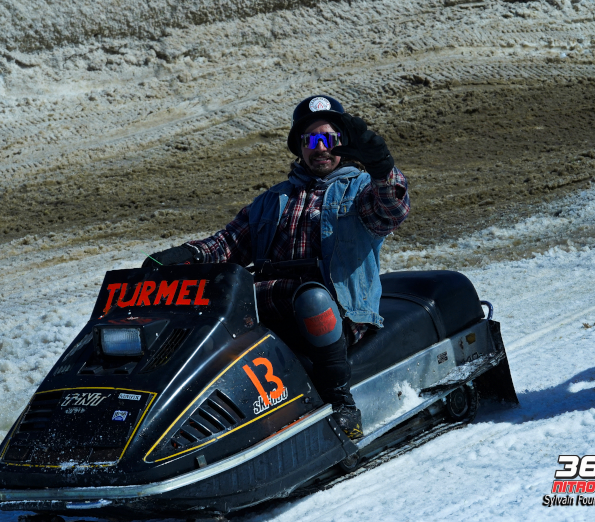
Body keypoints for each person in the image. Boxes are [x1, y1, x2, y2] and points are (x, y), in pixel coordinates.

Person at [143, 95, 410, 439]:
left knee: (312, 299)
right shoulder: (273, 199)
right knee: (211, 310)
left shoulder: (361, 191)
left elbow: (391, 211)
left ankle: (341, 404)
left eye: (329, 139)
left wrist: (382, 168)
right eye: (311, 140)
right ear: (299, 147)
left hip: (336, 311)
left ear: (344, 144)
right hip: (270, 305)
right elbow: (228, 244)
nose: (320, 148)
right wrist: (187, 255)